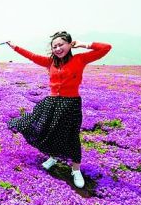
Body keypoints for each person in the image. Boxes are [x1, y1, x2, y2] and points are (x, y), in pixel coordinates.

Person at [6, 31, 112, 188]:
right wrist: (15, 47)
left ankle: (75, 170)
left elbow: (106, 48)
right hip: (52, 103)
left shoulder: (80, 59)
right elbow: (32, 56)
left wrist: (84, 44)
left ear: (70, 45)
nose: (57, 48)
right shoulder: (50, 62)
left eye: (61, 44)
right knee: (47, 130)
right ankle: (53, 157)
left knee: (71, 136)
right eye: (54, 46)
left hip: (71, 104)